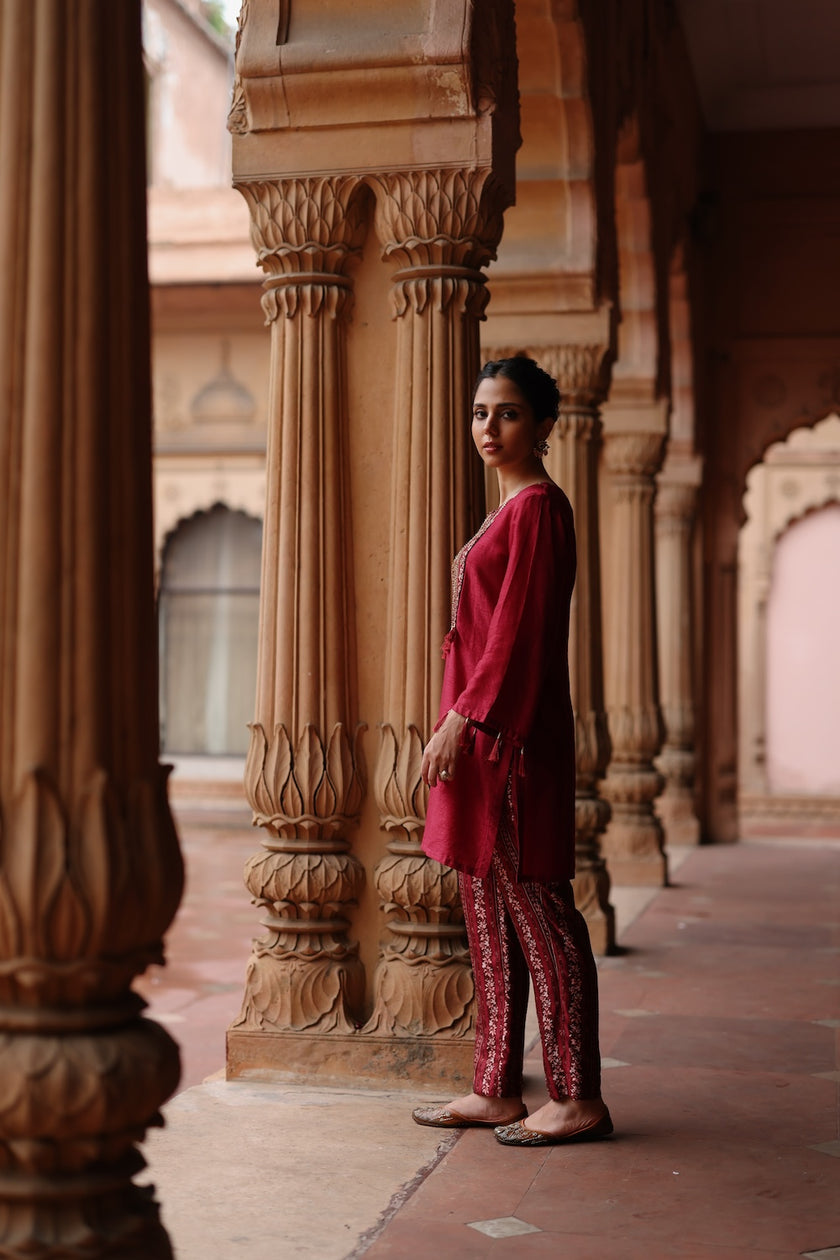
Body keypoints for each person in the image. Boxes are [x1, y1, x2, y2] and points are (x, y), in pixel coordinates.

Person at [411, 356, 612, 1147]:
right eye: (480, 413)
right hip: (481, 738)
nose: (488, 428)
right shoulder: (507, 511)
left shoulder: (539, 510)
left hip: (512, 740)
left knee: (540, 909)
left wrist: (464, 720)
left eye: (509, 413)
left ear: (544, 424)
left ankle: (576, 1095)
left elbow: (518, 633)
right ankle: (494, 1087)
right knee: (487, 909)